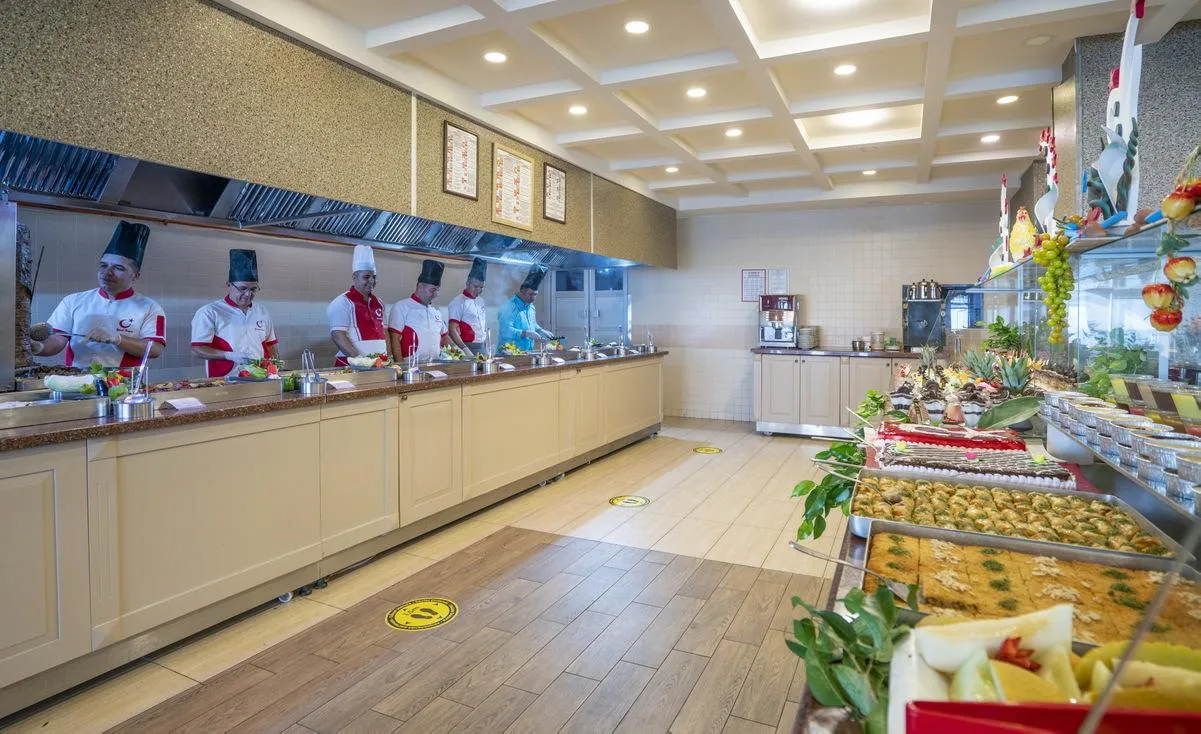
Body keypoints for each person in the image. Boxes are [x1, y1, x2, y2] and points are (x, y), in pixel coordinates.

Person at [30, 220, 166, 368]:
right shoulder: (72, 301)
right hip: (77, 378)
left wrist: (118, 339)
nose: (107, 272)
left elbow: (155, 349)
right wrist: (38, 347)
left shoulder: (150, 308)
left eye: (118, 268)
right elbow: (57, 340)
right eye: (103, 265)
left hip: (123, 380)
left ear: (135, 276)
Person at [190, 249, 279, 377]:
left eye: (253, 289)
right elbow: (197, 349)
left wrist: (275, 369)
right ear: (229, 285)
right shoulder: (210, 312)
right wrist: (228, 355)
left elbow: (271, 345)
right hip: (225, 380)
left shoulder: (262, 311)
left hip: (261, 378)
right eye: (243, 288)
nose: (248, 294)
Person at [326, 245, 388, 366]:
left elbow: (385, 334)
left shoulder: (379, 303)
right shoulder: (342, 302)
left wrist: (390, 359)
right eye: (366, 277)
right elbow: (338, 336)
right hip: (350, 366)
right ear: (354, 277)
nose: (371, 281)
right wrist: (361, 361)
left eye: (374, 277)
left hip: (378, 365)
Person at [387, 259, 448, 363]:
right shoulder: (401, 307)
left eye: (437, 290)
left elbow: (444, 337)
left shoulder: (436, 311)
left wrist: (455, 356)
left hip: (435, 364)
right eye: (432, 290)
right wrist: (401, 366)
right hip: (411, 365)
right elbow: (394, 340)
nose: (436, 294)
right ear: (420, 287)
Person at [498, 265, 555, 353]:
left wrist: (541, 331)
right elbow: (506, 331)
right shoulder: (509, 307)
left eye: (535, 294)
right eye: (530, 294)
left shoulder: (531, 307)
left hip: (526, 353)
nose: (533, 298)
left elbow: (533, 325)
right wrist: (526, 333)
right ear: (522, 291)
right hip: (509, 354)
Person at [446, 257, 488, 358]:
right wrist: (464, 349)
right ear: (467, 283)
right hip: (467, 346)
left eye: (481, 287)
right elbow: (452, 330)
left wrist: (486, 344)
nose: (478, 290)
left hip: (482, 347)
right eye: (475, 286)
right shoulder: (458, 302)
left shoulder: (481, 301)